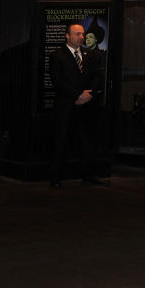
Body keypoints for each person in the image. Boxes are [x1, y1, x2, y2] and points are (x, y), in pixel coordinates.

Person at [49, 21, 107, 187]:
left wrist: (88, 93)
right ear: (67, 36)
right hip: (66, 106)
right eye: (77, 34)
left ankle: (88, 175)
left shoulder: (91, 55)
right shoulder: (57, 55)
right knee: (61, 142)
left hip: (87, 105)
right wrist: (76, 95)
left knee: (87, 141)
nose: (81, 37)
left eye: (82, 34)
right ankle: (56, 177)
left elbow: (97, 76)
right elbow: (57, 80)